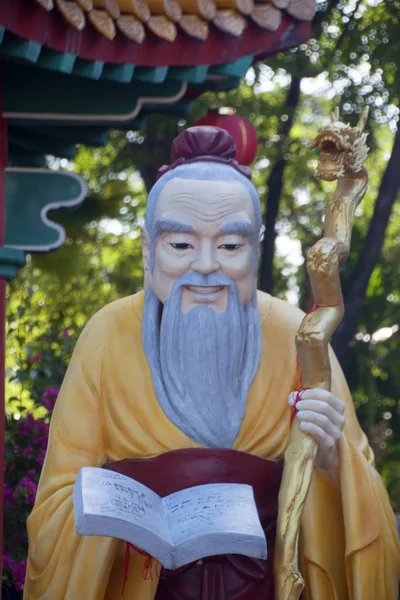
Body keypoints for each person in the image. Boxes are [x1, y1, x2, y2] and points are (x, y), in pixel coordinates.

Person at [24, 127, 400, 599]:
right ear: (147, 249)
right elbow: (56, 503)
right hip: (142, 583)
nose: (205, 266)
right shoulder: (107, 334)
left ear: (255, 249)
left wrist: (331, 460)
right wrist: (122, 507)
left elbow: (366, 503)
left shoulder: (296, 336)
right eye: (180, 245)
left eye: (229, 247)